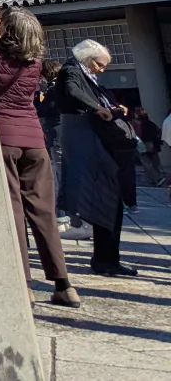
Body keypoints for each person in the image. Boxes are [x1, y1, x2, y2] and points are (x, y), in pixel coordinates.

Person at [0, 6, 78, 307]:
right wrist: (0, 31)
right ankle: (64, 284)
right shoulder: (35, 62)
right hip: (35, 141)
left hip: (3, 137)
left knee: (14, 214)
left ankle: (24, 285)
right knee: (44, 213)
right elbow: (12, 54)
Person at [57, 40, 139, 276]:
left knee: (111, 202)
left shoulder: (83, 74)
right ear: (87, 58)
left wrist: (111, 106)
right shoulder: (71, 70)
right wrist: (97, 108)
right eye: (99, 64)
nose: (102, 70)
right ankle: (106, 261)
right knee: (107, 198)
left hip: (93, 140)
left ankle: (107, 259)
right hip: (87, 140)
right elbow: (74, 91)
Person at [131, 107, 164, 187]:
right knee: (154, 161)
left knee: (147, 163)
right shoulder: (151, 123)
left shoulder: (135, 124)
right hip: (152, 144)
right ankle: (152, 180)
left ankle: (157, 178)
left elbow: (136, 135)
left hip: (142, 145)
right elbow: (159, 131)